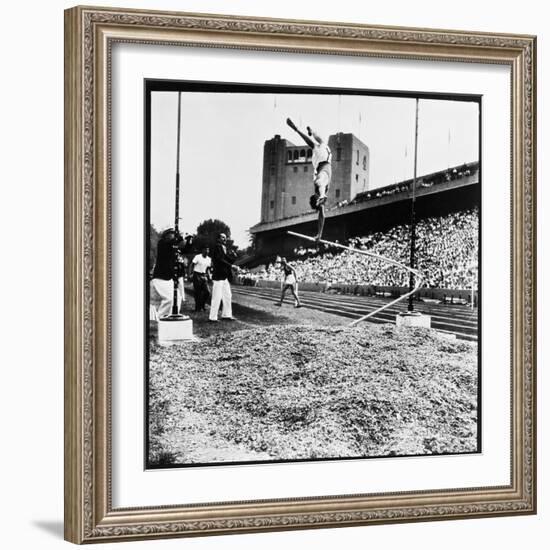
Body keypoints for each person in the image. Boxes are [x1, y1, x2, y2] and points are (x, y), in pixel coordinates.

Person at [286, 117, 332, 241]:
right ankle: (312, 131)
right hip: (325, 161)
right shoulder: (318, 191)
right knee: (320, 141)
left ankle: (308, 131)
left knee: (319, 181)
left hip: (324, 163)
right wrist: (319, 234)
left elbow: (322, 215)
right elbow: (321, 216)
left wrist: (295, 129)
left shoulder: (317, 184)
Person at [150, 228, 185, 319]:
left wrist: (180, 237)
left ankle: (171, 318)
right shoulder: (162, 243)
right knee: (170, 299)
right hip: (160, 278)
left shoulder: (173, 246)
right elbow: (172, 242)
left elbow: (183, 244)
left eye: (174, 234)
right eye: (171, 234)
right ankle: (161, 318)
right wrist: (177, 237)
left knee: (178, 298)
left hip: (168, 278)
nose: (173, 235)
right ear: (166, 236)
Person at [209, 233, 239, 322]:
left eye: (225, 238)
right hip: (218, 275)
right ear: (218, 238)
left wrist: (234, 256)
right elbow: (219, 260)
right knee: (216, 297)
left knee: (227, 296)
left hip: (224, 276)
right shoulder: (217, 247)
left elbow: (227, 259)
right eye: (222, 237)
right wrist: (231, 266)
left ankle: (226, 315)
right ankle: (212, 317)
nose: (224, 239)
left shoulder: (223, 248)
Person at [189, 246, 212, 312]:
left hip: (204, 275)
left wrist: (209, 275)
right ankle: (197, 308)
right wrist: (190, 274)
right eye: (205, 250)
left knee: (207, 292)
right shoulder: (198, 257)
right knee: (197, 292)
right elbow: (191, 265)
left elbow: (208, 268)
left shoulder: (209, 259)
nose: (207, 251)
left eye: (208, 250)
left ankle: (202, 305)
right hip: (197, 275)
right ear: (202, 250)